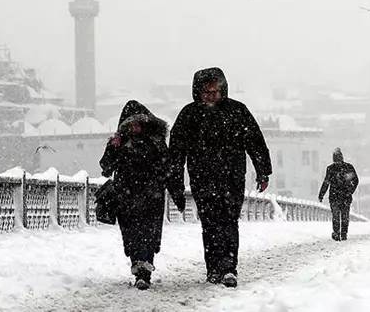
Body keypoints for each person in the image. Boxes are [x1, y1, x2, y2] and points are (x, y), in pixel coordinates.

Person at [167, 67, 271, 288]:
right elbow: (176, 152)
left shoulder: (237, 111)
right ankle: (214, 268)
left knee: (229, 221)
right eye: (207, 91)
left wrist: (263, 171)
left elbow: (255, 141)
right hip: (202, 178)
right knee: (210, 223)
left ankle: (228, 268)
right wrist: (175, 181)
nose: (211, 95)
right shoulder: (189, 115)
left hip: (231, 177)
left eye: (215, 91)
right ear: (198, 92)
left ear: (222, 90)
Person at [99, 100, 185, 290]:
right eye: (131, 124)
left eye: (138, 123)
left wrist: (177, 194)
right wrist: (113, 147)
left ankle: (143, 271)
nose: (135, 127)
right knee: (131, 235)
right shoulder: (120, 144)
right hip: (126, 198)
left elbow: (168, 170)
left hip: (151, 198)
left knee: (148, 234)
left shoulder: (156, 144)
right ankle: (138, 265)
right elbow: (106, 168)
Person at [318, 147, 359, 241]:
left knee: (336, 216)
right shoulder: (348, 167)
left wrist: (321, 194)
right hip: (345, 196)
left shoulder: (331, 169)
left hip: (335, 196)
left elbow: (326, 182)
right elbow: (355, 180)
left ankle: (337, 233)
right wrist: (350, 191)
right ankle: (343, 233)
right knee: (344, 216)